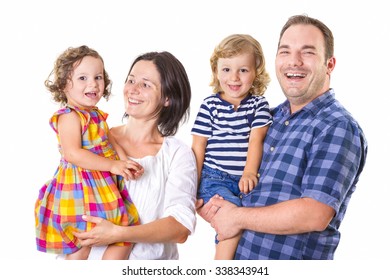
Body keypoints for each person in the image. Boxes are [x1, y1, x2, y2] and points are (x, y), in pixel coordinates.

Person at [197, 14, 368, 260]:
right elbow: (227, 172)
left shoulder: (337, 126)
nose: (293, 62)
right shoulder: (268, 118)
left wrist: (234, 217)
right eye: (285, 52)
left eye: (307, 52)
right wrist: (210, 203)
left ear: (329, 65)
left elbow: (315, 213)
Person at [73, 51, 197, 260]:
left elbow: (180, 227)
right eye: (131, 80)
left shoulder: (177, 154)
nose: (133, 89)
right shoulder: (95, 141)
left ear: (167, 98)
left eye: (146, 84)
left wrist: (119, 234)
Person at [34, 45, 144, 260]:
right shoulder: (69, 116)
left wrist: (124, 160)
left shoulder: (95, 115)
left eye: (98, 77)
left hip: (101, 185)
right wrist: (113, 165)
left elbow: (109, 140)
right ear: (65, 84)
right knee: (82, 242)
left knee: (120, 233)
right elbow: (73, 153)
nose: (93, 83)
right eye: (83, 78)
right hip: (78, 188)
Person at [191, 34, 272, 259]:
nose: (234, 78)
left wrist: (249, 172)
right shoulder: (210, 105)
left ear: (256, 72)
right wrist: (191, 187)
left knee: (253, 220)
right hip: (214, 178)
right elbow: (198, 147)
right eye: (226, 69)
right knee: (232, 217)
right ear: (216, 71)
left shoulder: (258, 105)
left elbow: (257, 140)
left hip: (246, 181)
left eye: (243, 70)